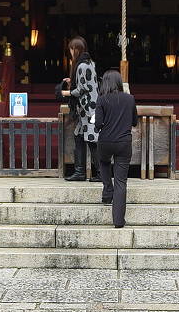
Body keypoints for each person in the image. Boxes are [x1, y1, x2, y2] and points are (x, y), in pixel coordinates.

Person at [95, 69, 138, 227]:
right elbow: (134, 122)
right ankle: (118, 221)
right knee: (121, 182)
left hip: (105, 141)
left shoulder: (101, 99)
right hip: (123, 143)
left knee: (103, 162)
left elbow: (98, 124)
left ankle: (107, 190)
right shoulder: (130, 99)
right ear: (119, 82)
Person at [59, 36, 98, 181]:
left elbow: (82, 89)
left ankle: (99, 173)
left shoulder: (81, 66)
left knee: (92, 140)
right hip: (87, 108)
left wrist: (65, 92)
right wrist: (72, 81)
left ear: (76, 50)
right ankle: (80, 172)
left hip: (88, 108)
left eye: (71, 49)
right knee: (80, 136)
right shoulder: (89, 63)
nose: (70, 52)